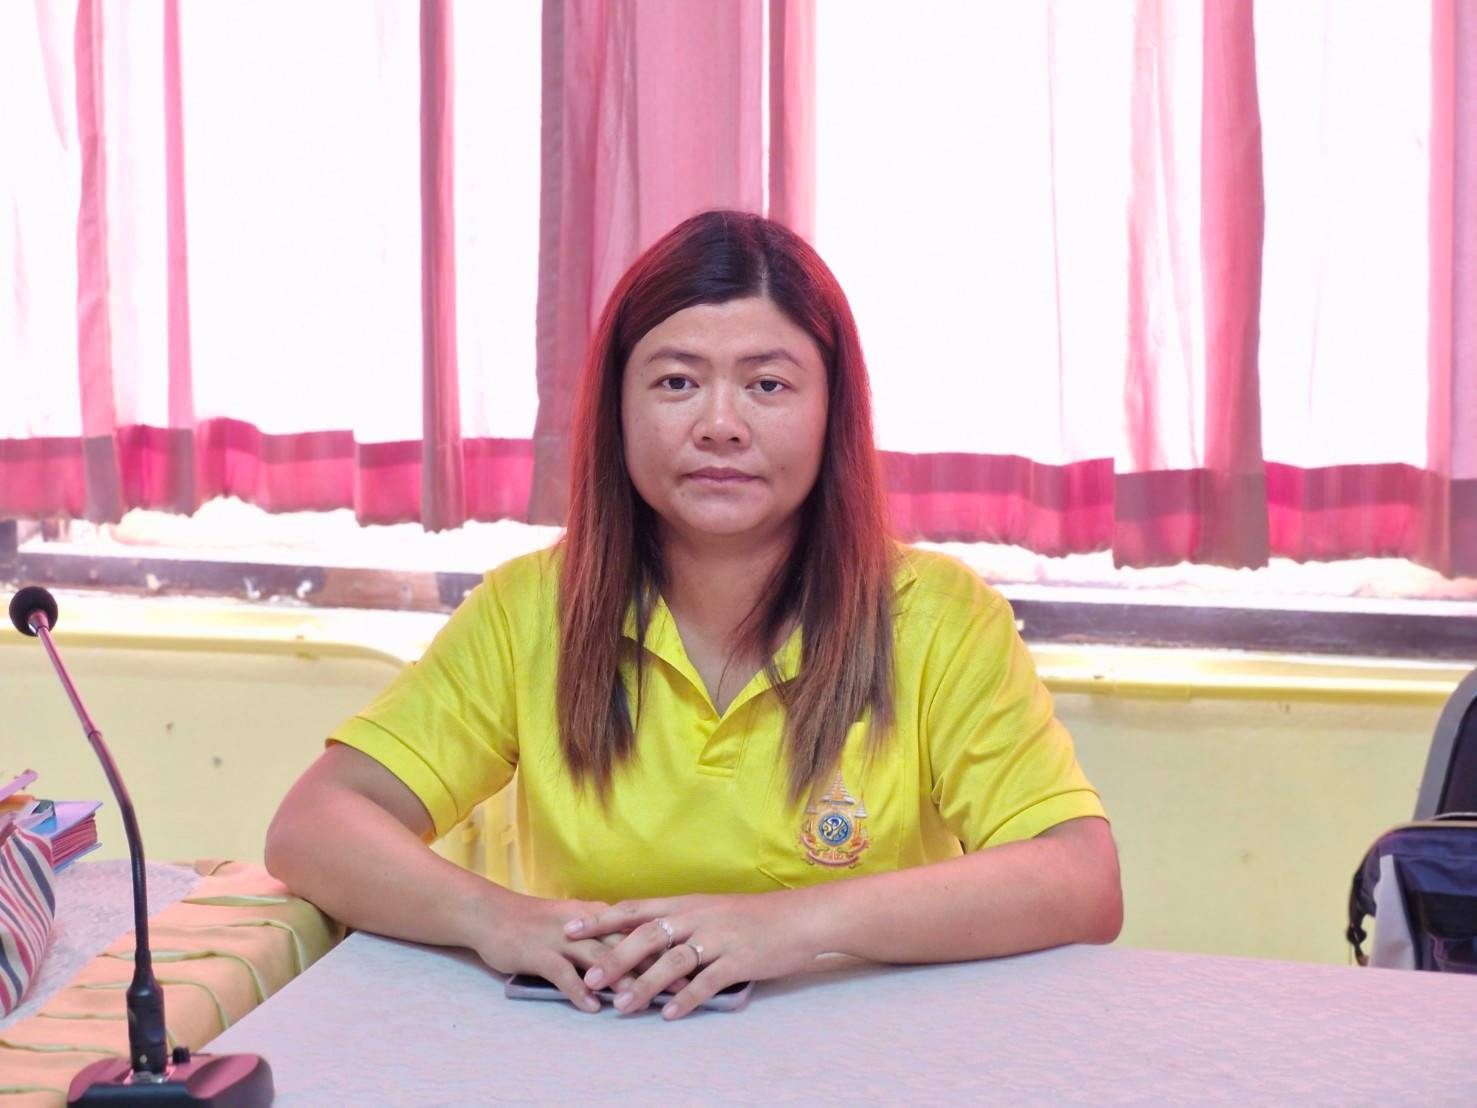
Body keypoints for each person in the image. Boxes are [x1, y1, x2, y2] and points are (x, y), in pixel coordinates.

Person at [265, 210, 1122, 1021]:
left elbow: (1080, 879)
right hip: (599, 1041)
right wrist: (497, 918)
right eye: (676, 382)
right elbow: (314, 826)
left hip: (862, 1055)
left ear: (832, 411)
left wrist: (791, 926)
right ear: (618, 408)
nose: (719, 425)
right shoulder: (531, 608)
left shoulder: (935, 615)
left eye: (767, 384)